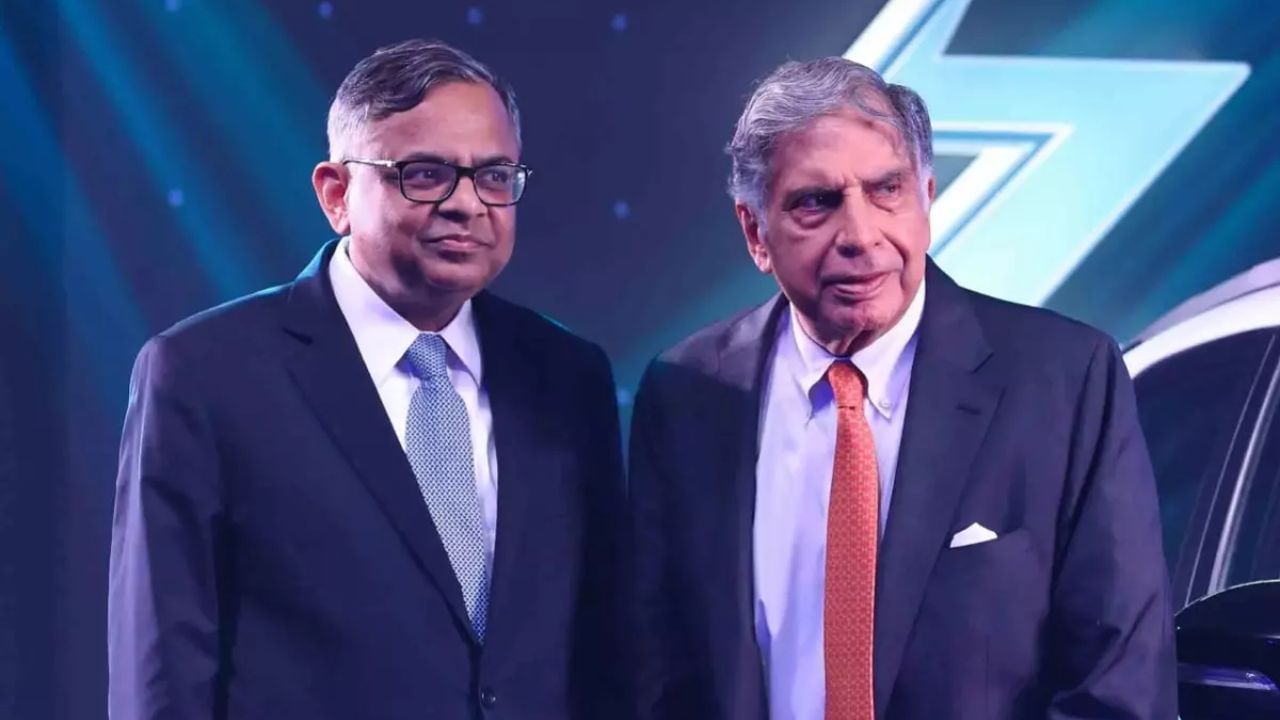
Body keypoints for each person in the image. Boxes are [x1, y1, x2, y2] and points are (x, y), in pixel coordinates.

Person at [628, 57, 1176, 720]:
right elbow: (658, 681)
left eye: (886, 189)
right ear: (755, 232)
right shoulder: (687, 395)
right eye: (816, 202)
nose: (861, 237)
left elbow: (1119, 690)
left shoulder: (1065, 381)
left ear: (927, 197)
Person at [109, 39, 625, 719]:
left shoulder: (568, 376)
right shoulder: (205, 375)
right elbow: (163, 670)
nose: (467, 204)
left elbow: (604, 645)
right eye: (425, 174)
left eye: (495, 176)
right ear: (337, 194)